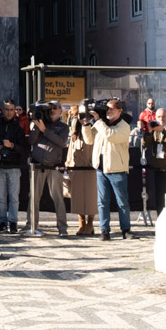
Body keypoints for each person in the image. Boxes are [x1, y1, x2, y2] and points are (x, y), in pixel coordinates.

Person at [92, 98, 134, 240]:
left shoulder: (124, 126)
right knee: (102, 201)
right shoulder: (102, 124)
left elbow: (111, 136)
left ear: (119, 111)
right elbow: (89, 140)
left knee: (122, 201)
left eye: (112, 109)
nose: (108, 111)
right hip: (101, 168)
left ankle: (126, 229)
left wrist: (98, 121)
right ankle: (104, 230)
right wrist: (85, 124)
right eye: (107, 109)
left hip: (117, 168)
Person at [27, 104, 69, 235]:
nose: (52, 110)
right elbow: (32, 141)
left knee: (58, 197)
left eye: (55, 108)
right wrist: (37, 127)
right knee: (34, 197)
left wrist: (45, 130)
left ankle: (62, 228)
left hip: (54, 166)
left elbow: (62, 142)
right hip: (38, 165)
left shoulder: (63, 127)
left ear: (61, 111)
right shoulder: (40, 123)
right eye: (50, 109)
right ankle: (31, 225)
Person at [0, 100, 26, 234]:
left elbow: (23, 148)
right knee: (1, 197)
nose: (9, 112)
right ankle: (2, 222)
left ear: (15, 111)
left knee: (14, 197)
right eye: (6, 109)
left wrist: (11, 146)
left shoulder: (18, 128)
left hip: (14, 165)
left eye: (11, 109)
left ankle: (13, 222)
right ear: (3, 110)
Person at [64, 108, 98, 236]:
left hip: (90, 169)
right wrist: (68, 165)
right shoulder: (74, 135)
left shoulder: (94, 131)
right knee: (78, 198)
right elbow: (70, 152)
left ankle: (90, 224)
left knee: (91, 198)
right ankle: (81, 223)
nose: (82, 119)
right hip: (76, 169)